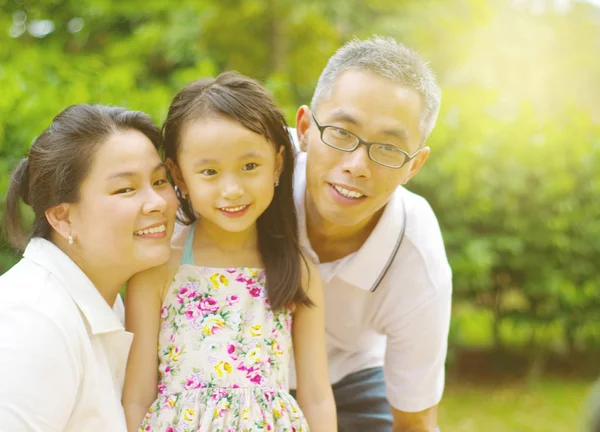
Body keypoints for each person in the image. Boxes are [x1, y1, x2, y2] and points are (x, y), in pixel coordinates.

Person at [122, 71, 336, 432]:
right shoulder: (158, 270)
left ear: (278, 164)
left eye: (250, 166)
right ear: (179, 175)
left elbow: (316, 395)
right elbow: (137, 395)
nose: (232, 189)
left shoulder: (299, 272)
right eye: (209, 171)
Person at [290, 36, 452, 432]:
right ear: (304, 129)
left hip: (347, 380)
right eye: (342, 133)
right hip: (227, 369)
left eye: (389, 149)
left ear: (414, 166)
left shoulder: (418, 259)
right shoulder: (248, 175)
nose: (357, 165)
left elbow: (415, 423)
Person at [0, 104, 178, 431]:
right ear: (62, 217)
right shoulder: (32, 319)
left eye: (160, 180)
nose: (157, 203)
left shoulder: (112, 304)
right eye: (125, 189)